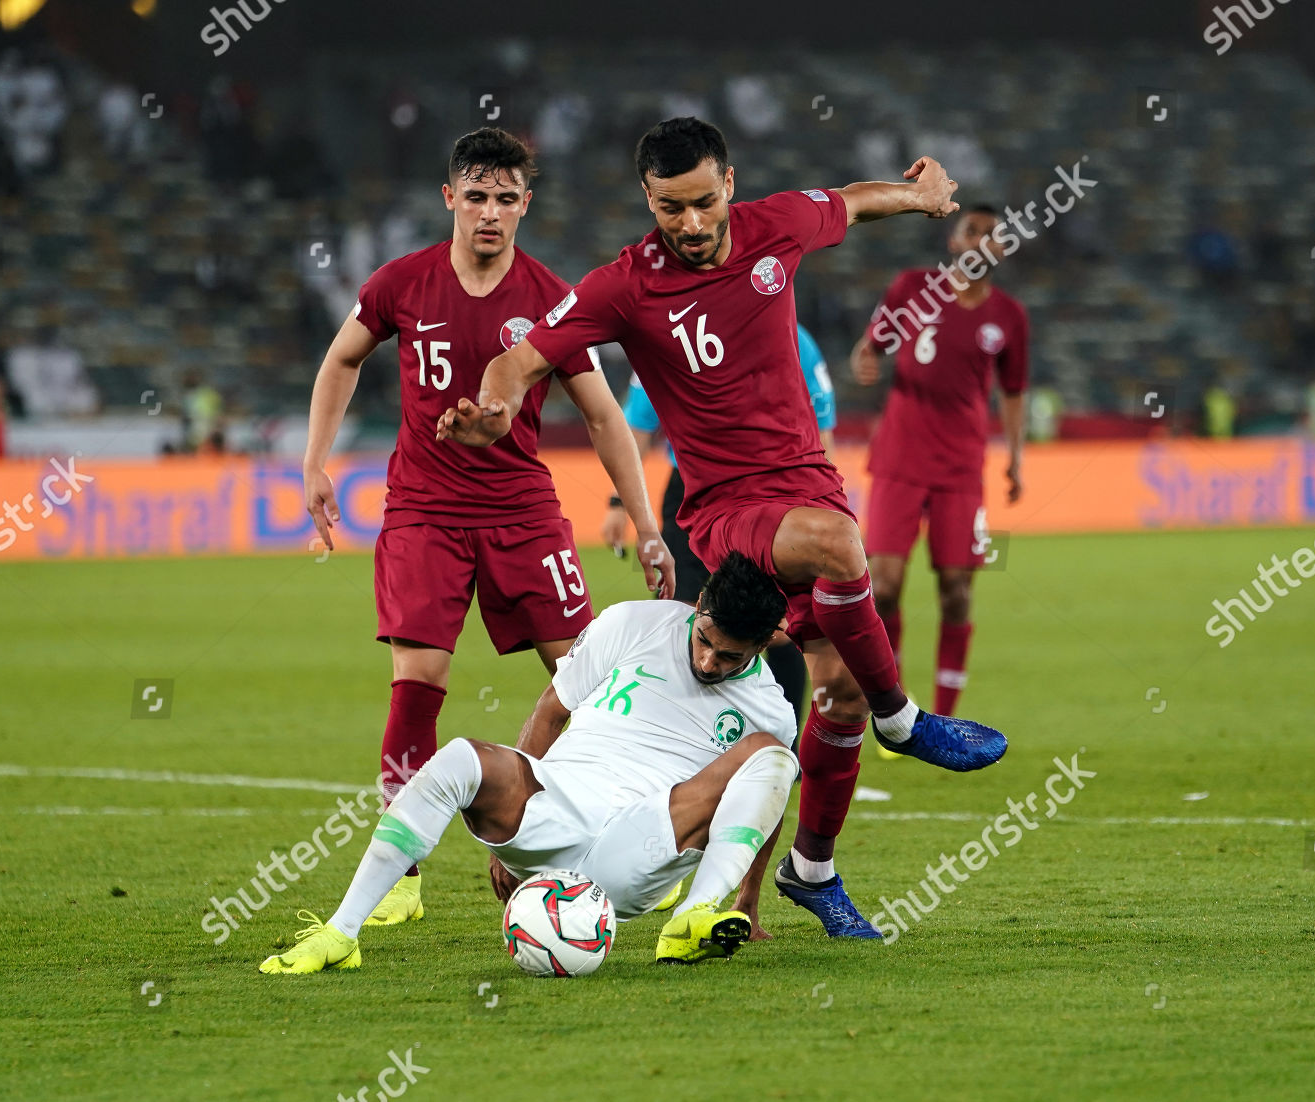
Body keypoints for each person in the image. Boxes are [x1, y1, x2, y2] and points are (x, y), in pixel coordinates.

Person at [437, 117, 1006, 941]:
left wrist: (917, 197)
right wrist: (492, 408)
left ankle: (812, 869)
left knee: (834, 690)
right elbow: (519, 358)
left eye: (705, 203)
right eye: (672, 208)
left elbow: (849, 201)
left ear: (730, 185)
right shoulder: (623, 285)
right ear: (649, 198)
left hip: (807, 486)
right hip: (727, 512)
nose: (693, 225)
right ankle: (904, 722)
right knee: (844, 553)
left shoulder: (776, 226)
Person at [301, 128, 671, 930]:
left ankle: (620, 839)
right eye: (477, 196)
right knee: (418, 684)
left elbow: (604, 415)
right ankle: (402, 869)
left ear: (526, 205)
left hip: (522, 516)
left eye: (507, 198)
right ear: (449, 200)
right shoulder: (403, 283)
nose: (491, 213)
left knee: (593, 686)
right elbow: (340, 361)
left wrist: (645, 523)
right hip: (424, 514)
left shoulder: (551, 299)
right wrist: (316, 462)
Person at [260, 553, 799, 973]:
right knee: (460, 758)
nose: (709, 661)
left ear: (766, 642)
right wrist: (517, 843)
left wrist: (748, 901)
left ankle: (692, 918)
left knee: (774, 757)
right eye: (705, 641)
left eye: (730, 657)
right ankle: (341, 932)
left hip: (646, 838)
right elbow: (548, 714)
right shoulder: (634, 623)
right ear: (700, 602)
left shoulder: (769, 709)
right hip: (557, 807)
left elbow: (764, 806)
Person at [851, 205, 1028, 747]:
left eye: (992, 235)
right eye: (971, 230)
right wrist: (865, 360)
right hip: (900, 459)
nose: (980, 241)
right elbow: (869, 347)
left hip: (960, 468)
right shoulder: (911, 289)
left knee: (955, 590)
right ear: (953, 240)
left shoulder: (1009, 318)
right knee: (882, 587)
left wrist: (1016, 459)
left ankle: (946, 719)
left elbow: (1014, 392)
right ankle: (895, 713)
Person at [601, 323, 837, 725]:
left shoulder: (795, 338)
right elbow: (635, 425)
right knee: (685, 618)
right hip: (692, 494)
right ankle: (689, 740)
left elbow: (822, 429)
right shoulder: (669, 330)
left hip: (771, 494)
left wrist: (815, 506)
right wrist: (617, 502)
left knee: (776, 628)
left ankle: (784, 745)